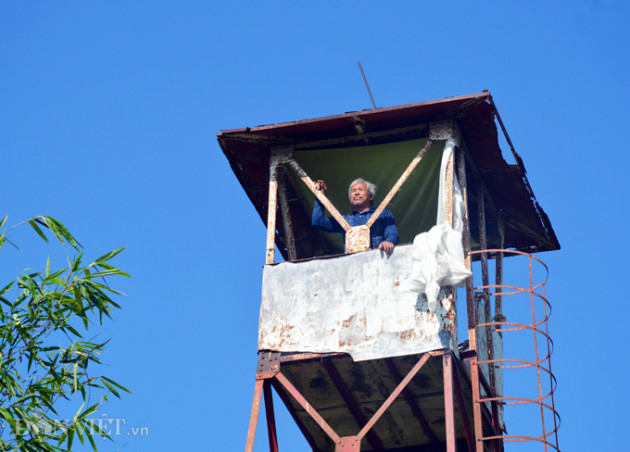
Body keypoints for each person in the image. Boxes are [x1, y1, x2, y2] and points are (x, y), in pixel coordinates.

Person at [312, 178, 399, 253]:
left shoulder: (383, 214)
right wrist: (321, 197)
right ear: (350, 199)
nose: (356, 193)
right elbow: (317, 222)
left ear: (371, 196)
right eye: (353, 191)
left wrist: (389, 242)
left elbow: (392, 234)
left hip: (377, 262)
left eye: (360, 189)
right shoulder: (345, 220)